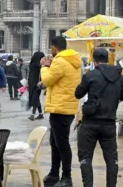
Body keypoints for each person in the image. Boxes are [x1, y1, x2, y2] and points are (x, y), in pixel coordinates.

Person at [74, 48, 123, 187]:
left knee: (85, 158)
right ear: (107, 59)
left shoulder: (90, 75)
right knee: (111, 159)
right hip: (109, 123)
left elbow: (78, 94)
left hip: (89, 123)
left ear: (94, 60)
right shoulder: (118, 75)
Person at [41, 36, 82, 187]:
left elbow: (47, 80)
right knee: (55, 142)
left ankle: (66, 177)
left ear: (54, 47)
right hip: (67, 107)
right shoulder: (72, 60)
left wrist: (44, 66)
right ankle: (54, 173)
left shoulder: (59, 60)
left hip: (60, 108)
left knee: (62, 144)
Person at [27, 52, 45, 121]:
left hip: (37, 85)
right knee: (36, 98)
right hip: (33, 84)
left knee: (35, 98)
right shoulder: (36, 65)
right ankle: (40, 114)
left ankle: (33, 114)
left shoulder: (39, 65)